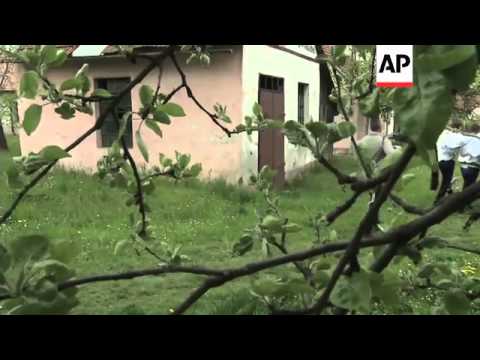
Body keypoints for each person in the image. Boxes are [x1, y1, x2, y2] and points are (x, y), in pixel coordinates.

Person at [435, 120, 466, 202]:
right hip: (447, 161)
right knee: (446, 181)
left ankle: (450, 193)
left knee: (447, 179)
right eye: (462, 128)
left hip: (441, 160)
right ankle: (438, 200)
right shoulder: (451, 136)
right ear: (459, 127)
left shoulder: (444, 134)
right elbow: (452, 148)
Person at [458, 123, 480, 191]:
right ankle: (461, 199)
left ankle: (462, 198)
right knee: (469, 186)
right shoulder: (477, 138)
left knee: (467, 184)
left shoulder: (465, 138)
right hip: (472, 165)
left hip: (462, 165)